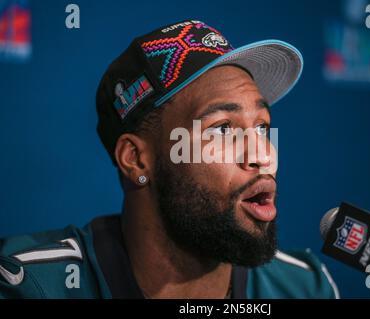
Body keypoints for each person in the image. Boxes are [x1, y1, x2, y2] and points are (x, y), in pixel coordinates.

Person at [0, 20, 339, 299]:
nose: (263, 156)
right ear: (135, 159)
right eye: (223, 129)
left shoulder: (305, 288)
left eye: (263, 127)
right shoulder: (31, 287)